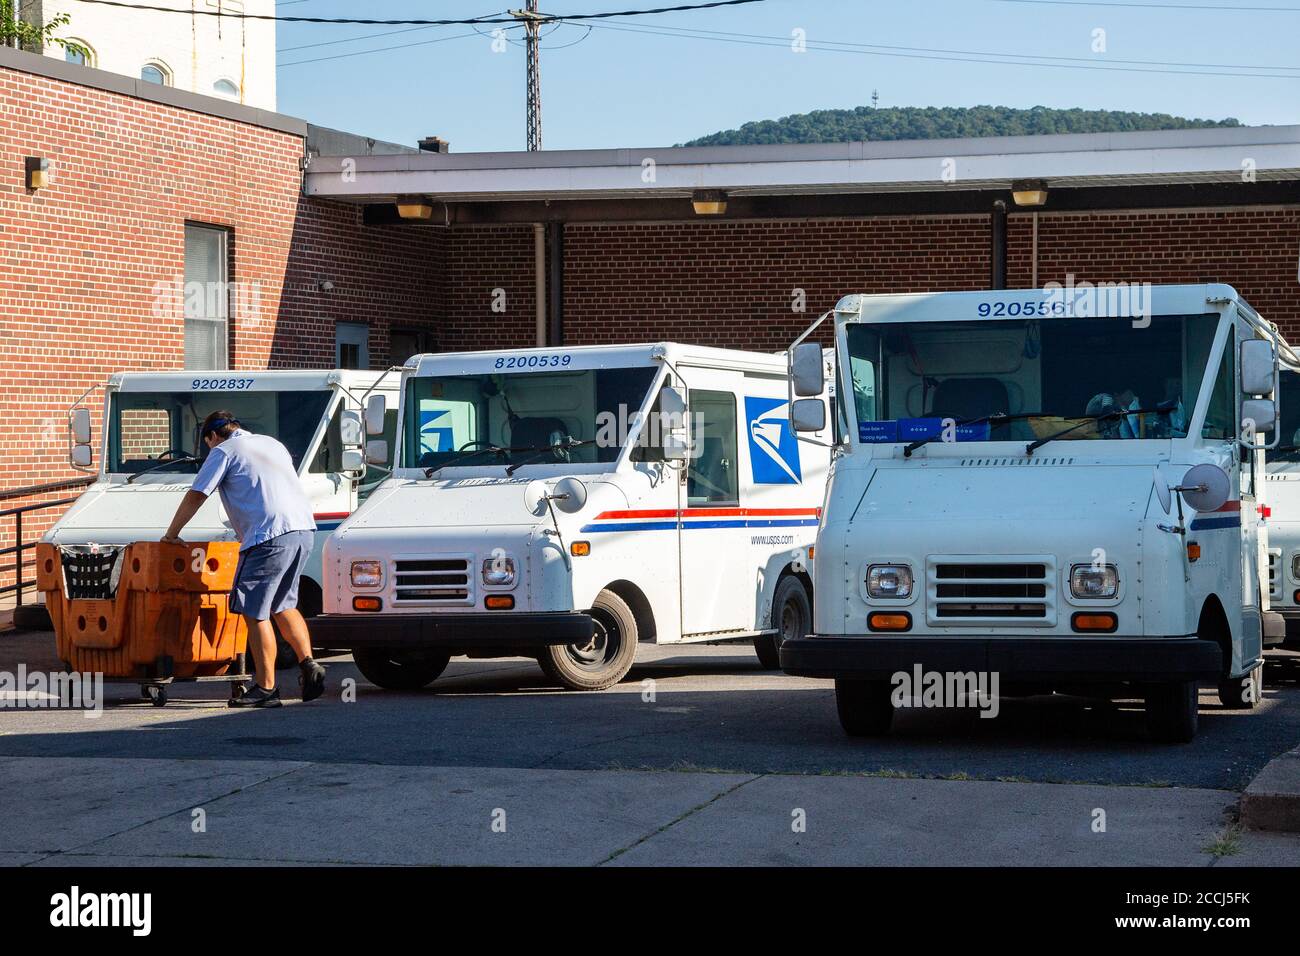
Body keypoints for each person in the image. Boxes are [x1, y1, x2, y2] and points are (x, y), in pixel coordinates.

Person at [162, 410, 326, 708]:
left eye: (207, 442)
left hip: (268, 536)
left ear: (211, 436)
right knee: (283, 605)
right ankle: (309, 665)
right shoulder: (272, 444)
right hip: (302, 530)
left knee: (253, 612)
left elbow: (197, 494)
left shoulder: (223, 451)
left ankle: (266, 688)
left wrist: (172, 533)